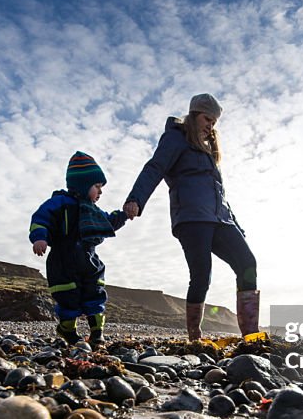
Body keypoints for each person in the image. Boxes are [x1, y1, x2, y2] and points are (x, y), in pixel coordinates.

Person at [123, 93, 259, 341]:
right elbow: (155, 167)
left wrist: (236, 225)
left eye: (215, 122)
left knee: (247, 262)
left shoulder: (208, 150)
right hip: (191, 218)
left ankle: (251, 336)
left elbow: (220, 193)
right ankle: (195, 337)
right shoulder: (176, 138)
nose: (211, 126)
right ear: (195, 115)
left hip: (221, 220)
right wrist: (136, 199)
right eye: (208, 119)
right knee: (201, 274)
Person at [29, 151, 127, 346]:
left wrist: (124, 215)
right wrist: (39, 238)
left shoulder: (93, 211)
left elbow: (108, 221)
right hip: (62, 259)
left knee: (95, 291)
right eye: (97, 186)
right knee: (68, 295)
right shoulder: (59, 203)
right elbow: (40, 219)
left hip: (89, 259)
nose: (100, 192)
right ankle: (67, 329)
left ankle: (97, 332)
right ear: (83, 184)